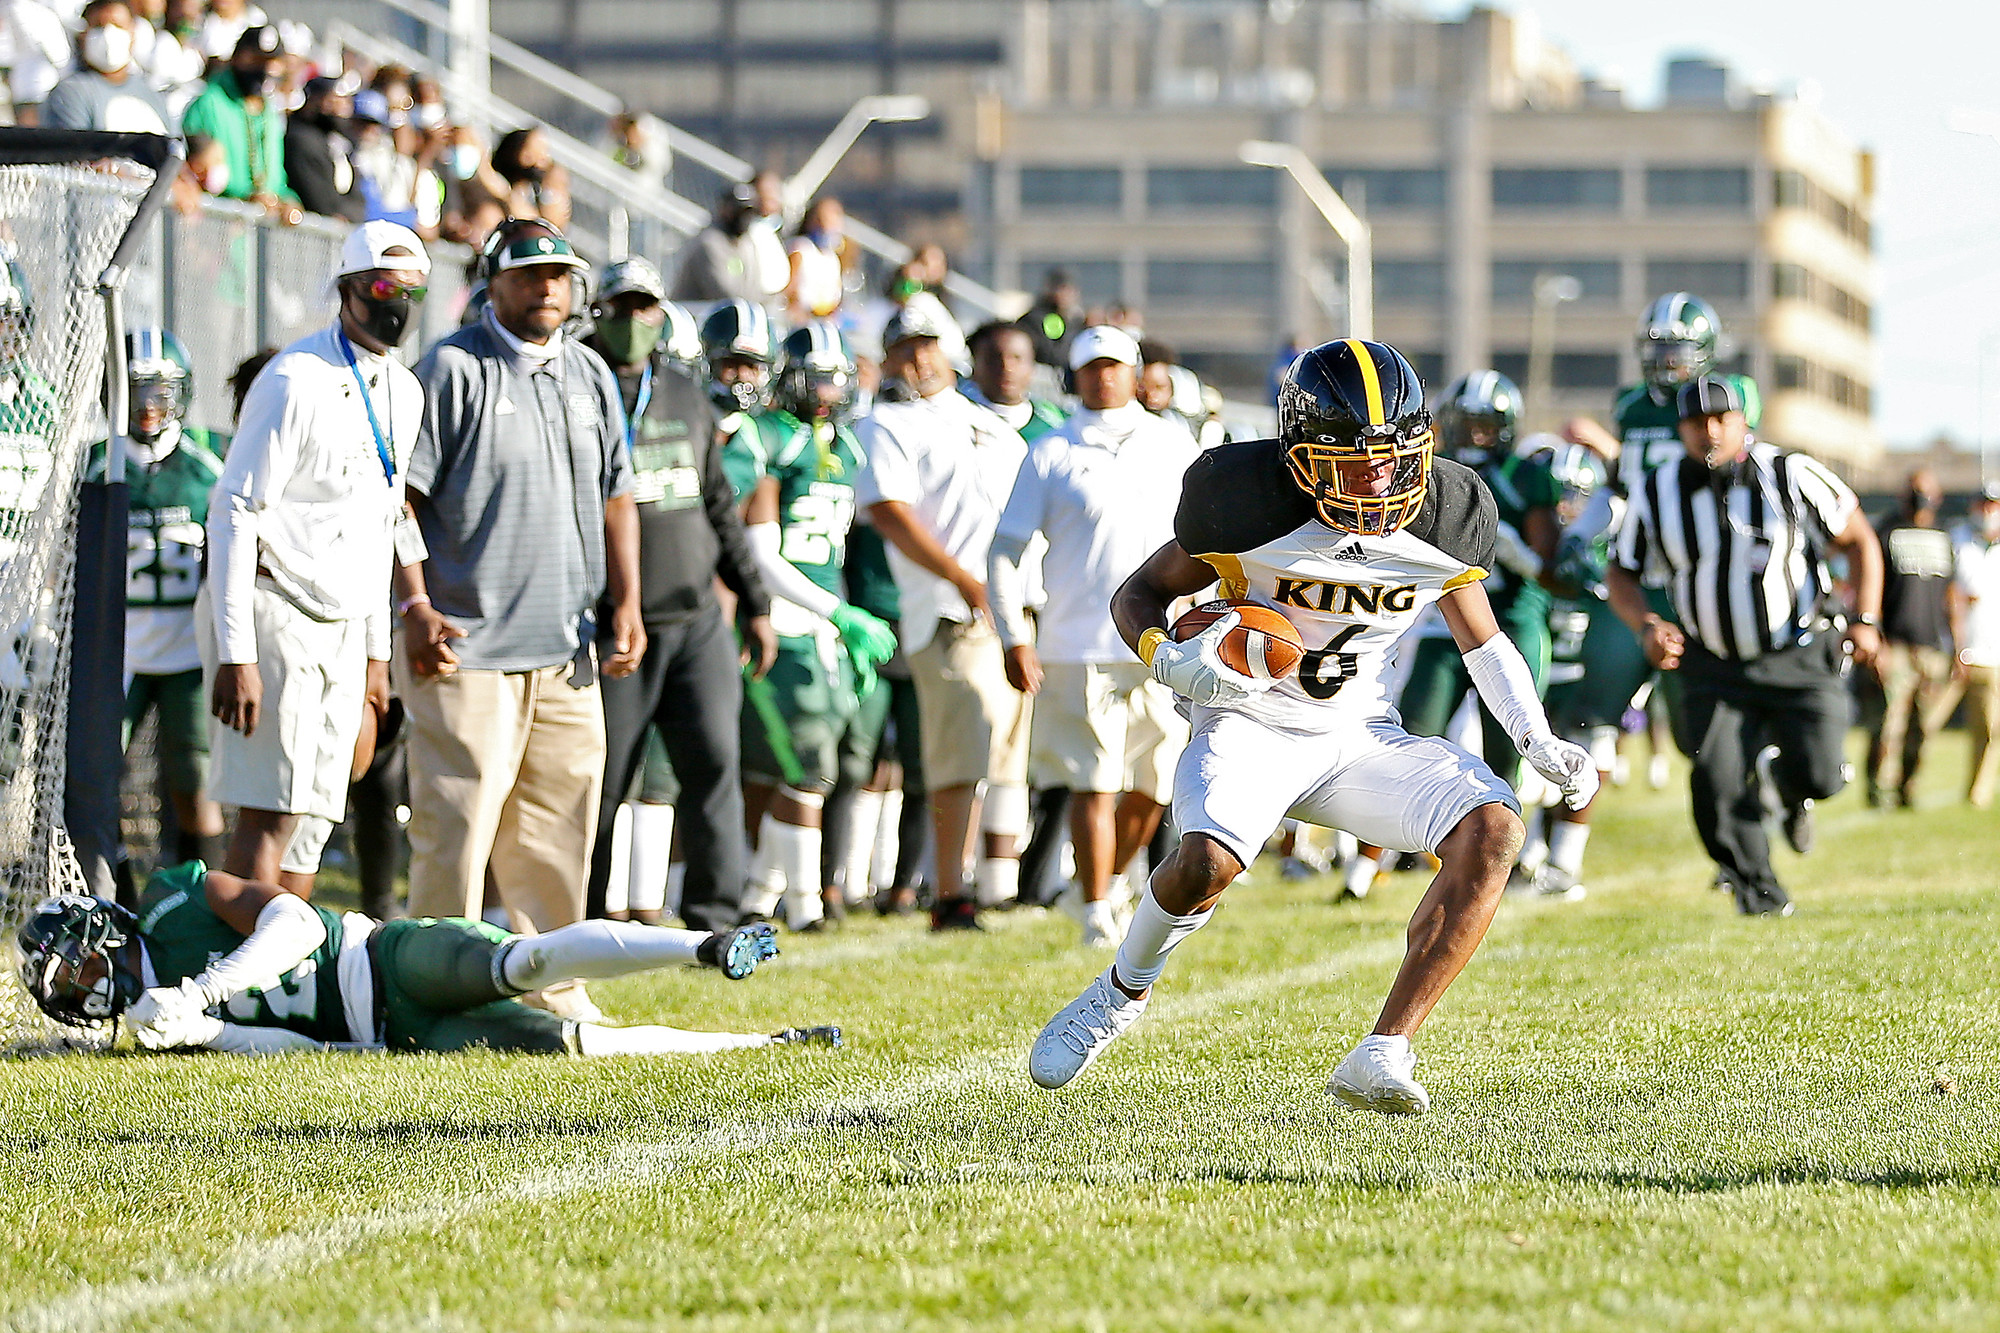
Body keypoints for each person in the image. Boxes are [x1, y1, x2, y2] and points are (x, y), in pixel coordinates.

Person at [1026, 338, 1597, 1114]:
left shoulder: (1445, 512)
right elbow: (1138, 594)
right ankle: (1120, 991)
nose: (1376, 475)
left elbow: (1484, 642)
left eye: (1393, 454)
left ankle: (1383, 1048)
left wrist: (1537, 739)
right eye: (1350, 457)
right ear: (1298, 452)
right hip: (1250, 722)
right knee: (1205, 866)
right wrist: (1167, 658)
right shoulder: (1245, 500)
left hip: (1358, 732)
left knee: (1495, 827)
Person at [393, 219, 641, 1023]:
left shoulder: (591, 371)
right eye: (530, 274)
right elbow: (404, 501)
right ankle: (436, 990)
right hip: (468, 644)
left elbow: (617, 494)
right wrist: (414, 603)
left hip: (566, 645)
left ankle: (554, 987)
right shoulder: (453, 366)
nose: (547, 288)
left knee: (559, 830)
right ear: (491, 281)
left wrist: (625, 599)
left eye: (560, 275)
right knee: (457, 826)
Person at [17, 868, 840, 1056]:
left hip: (384, 961)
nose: (90, 988)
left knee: (524, 960)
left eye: (80, 968)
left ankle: (704, 944)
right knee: (574, 1049)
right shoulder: (153, 1029)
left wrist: (203, 987)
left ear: (104, 929)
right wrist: (201, 1032)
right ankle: (772, 1045)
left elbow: (297, 920)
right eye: (72, 994)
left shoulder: (171, 895)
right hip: (393, 1038)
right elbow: (311, 1052)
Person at [201, 222, 426, 894]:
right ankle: (237, 981)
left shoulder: (404, 391)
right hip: (278, 603)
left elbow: (383, 521)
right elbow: (235, 510)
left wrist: (377, 656)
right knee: (271, 810)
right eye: (385, 286)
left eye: (414, 289)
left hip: (345, 619)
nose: (399, 302)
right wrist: (237, 651)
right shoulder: (294, 378)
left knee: (315, 819)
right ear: (349, 288)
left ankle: (287, 982)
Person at [1605, 374, 1883, 917]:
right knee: (1715, 778)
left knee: (1825, 774)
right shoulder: (1656, 489)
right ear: (1679, 429)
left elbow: (1860, 540)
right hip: (1712, 662)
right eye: (1694, 422)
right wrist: (1645, 625)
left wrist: (1865, 618)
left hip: (1798, 649)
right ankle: (1758, 891)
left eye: (1720, 419)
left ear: (1743, 422)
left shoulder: (1791, 472)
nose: (1708, 431)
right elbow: (1622, 570)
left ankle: (1789, 785)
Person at [578, 258, 776, 932]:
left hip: (694, 619)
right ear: (597, 311)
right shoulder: (575, 381)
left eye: (646, 308)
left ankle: (714, 917)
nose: (635, 321)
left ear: (662, 317)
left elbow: (718, 502)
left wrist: (756, 602)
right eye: (622, 306)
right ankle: (584, 915)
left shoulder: (685, 390)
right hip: (611, 625)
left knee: (716, 765)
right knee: (601, 782)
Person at [989, 326, 1200, 949]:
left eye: (1113, 366)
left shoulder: (1173, 443)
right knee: (1094, 782)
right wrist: (1013, 633)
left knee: (1154, 784)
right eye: (1091, 368)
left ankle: (1111, 880)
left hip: (1166, 641)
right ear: (1075, 376)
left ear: (1136, 374)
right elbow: (1006, 549)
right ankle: (1095, 904)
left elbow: (1209, 537)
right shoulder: (1051, 451)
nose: (1102, 377)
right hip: (1078, 641)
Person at [855, 304, 1032, 930]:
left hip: (1013, 608)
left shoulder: (991, 425)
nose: (918, 358)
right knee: (959, 757)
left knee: (1007, 755)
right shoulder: (886, 423)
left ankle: (999, 888)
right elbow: (889, 513)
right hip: (951, 611)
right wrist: (963, 577)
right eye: (904, 347)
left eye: (927, 344)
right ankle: (950, 891)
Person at [731, 324, 898, 931]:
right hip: (784, 619)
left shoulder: (845, 447)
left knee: (815, 768)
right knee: (807, 766)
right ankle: (801, 908)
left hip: (825, 626)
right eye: (817, 375)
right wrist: (839, 613)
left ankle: (758, 895)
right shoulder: (771, 439)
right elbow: (763, 555)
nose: (828, 390)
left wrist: (842, 618)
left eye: (836, 377)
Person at [85, 328, 226, 874]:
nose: (147, 406)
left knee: (195, 779)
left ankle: (201, 900)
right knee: (99, 779)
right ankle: (112, 898)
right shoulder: (95, 462)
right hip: (119, 648)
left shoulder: (209, 457)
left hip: (188, 649)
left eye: (160, 391)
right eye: (136, 389)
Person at [1516, 441, 1637, 899]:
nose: (1569, 506)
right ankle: (1531, 856)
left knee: (1592, 753)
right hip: (1550, 671)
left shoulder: (1616, 536)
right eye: (1561, 495)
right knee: (1540, 767)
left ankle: (1565, 862)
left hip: (1595, 670)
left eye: (1579, 495)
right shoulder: (1545, 538)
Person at [1866, 469, 1955, 808]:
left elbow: (1951, 595)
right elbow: (1870, 586)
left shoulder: (1943, 535)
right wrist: (1876, 638)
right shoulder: (1887, 531)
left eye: (1925, 490)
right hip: (1895, 643)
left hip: (1932, 646)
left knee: (1924, 727)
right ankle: (1878, 791)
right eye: (1914, 490)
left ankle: (1908, 788)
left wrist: (1956, 645)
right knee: (1888, 723)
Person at [178, 25, 294, 211]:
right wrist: (248, 196)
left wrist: (287, 200)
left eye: (271, 61)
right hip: (217, 222)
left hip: (260, 232)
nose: (265, 68)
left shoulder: (270, 113)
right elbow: (198, 171)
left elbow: (277, 181)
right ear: (236, 57)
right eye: (255, 59)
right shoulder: (210, 102)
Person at [40, 0, 174, 135]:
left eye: (118, 25)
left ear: (133, 34)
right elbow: (73, 151)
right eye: (99, 26)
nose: (108, 33)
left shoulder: (151, 94)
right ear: (84, 35)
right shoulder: (70, 93)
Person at [1950, 487, 2000, 806]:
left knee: (1991, 726)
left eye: (1992, 505)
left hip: (1993, 652)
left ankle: (1978, 792)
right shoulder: (1957, 539)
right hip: (1957, 649)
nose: (1986, 510)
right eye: (1983, 503)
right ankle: (1900, 785)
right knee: (1924, 723)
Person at [673, 181, 785, 306]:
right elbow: (723, 295)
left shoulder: (747, 243)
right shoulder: (709, 242)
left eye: (749, 211)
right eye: (739, 211)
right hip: (696, 317)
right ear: (725, 209)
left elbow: (755, 286)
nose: (745, 217)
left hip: (733, 315)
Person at [283, 74, 366, 224]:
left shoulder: (340, 142)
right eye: (332, 100)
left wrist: (350, 216)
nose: (340, 108)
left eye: (345, 101)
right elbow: (319, 200)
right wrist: (337, 217)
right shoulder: (301, 139)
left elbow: (358, 198)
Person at [490, 125, 571, 233]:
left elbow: (555, 226)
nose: (543, 159)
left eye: (544, 152)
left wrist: (553, 191)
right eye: (528, 154)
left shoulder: (535, 191)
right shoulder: (498, 187)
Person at [785, 196, 847, 325]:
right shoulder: (800, 248)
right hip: (798, 320)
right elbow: (789, 290)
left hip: (823, 321)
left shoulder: (833, 259)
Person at [1018, 268, 1082, 369]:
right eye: (1059, 288)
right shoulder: (1033, 320)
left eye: (1067, 289)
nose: (1063, 294)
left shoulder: (1076, 322)